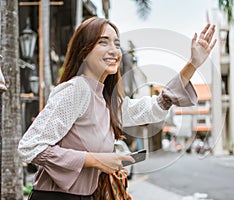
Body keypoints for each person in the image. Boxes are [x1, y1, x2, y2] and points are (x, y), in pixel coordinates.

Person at [18, 16, 216, 200]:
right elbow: (30, 147)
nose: (114, 50)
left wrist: (193, 64)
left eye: (117, 44)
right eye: (103, 42)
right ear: (84, 51)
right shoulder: (76, 89)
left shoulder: (106, 100)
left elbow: (155, 106)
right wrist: (96, 160)